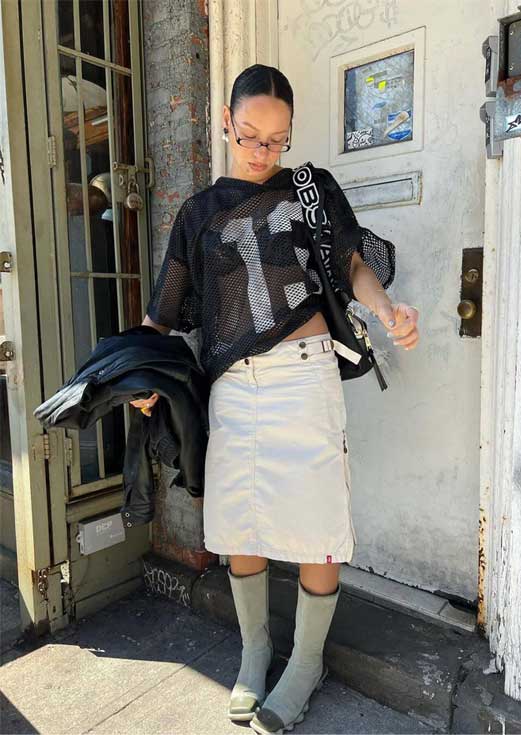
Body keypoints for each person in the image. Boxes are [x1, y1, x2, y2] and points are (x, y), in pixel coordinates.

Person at [131, 64, 420, 734]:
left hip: (304, 375)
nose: (263, 151)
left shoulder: (310, 190)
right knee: (241, 526)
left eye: (277, 139)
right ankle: (255, 650)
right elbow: (163, 313)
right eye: (251, 135)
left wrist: (386, 310)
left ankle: (307, 661)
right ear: (227, 122)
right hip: (233, 387)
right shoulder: (198, 213)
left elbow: (351, 264)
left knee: (318, 527)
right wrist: (140, 372)